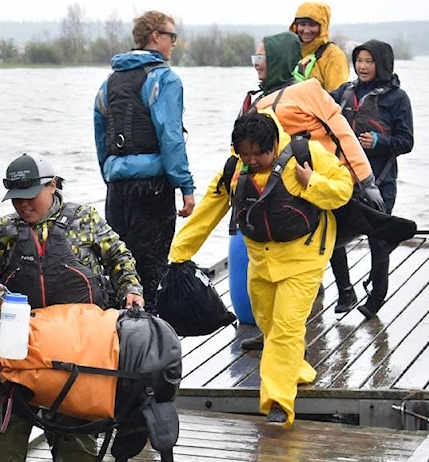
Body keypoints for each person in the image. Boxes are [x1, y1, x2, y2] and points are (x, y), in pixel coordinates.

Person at [0, 152, 143, 462]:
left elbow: (120, 257)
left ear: (53, 187)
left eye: (31, 195)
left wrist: (131, 290)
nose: (23, 204)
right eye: (16, 197)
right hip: (25, 343)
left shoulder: (84, 220)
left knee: (75, 420)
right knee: (7, 415)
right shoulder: (5, 231)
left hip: (78, 343)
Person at [170, 111, 353, 426]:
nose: (252, 160)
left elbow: (343, 189)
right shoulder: (234, 169)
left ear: (273, 145)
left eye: (259, 153)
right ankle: (295, 368)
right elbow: (208, 211)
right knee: (267, 322)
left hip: (305, 255)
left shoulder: (305, 155)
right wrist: (180, 254)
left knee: (286, 327)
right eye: (245, 154)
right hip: (262, 259)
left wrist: (313, 183)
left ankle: (278, 404)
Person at [238, 31, 384, 350]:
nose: (257, 65)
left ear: (277, 59)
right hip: (276, 194)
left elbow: (342, 132)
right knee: (271, 263)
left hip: (312, 188)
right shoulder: (259, 99)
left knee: (306, 261)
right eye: (255, 59)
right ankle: (275, 332)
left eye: (262, 58)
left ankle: (293, 338)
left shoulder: (307, 90)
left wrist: (366, 180)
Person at [93, 10, 195, 314]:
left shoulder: (109, 83)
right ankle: (150, 345)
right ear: (155, 36)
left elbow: (101, 140)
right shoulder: (164, 78)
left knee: (118, 267)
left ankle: (118, 341)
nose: (173, 43)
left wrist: (111, 176)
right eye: (171, 36)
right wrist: (185, 187)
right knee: (150, 270)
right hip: (152, 187)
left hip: (117, 187)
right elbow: (171, 137)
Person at [327, 40, 414, 318]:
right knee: (330, 235)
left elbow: (406, 141)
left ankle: (376, 298)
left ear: (382, 64)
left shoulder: (398, 98)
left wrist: (379, 141)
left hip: (381, 183)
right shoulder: (344, 92)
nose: (363, 67)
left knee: (379, 241)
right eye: (359, 61)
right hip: (343, 180)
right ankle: (345, 291)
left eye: (369, 61)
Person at [289, 2, 350, 93]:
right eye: (302, 24)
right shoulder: (291, 52)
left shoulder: (334, 56)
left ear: (323, 27)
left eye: (312, 25)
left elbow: (336, 98)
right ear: (295, 26)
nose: (306, 30)